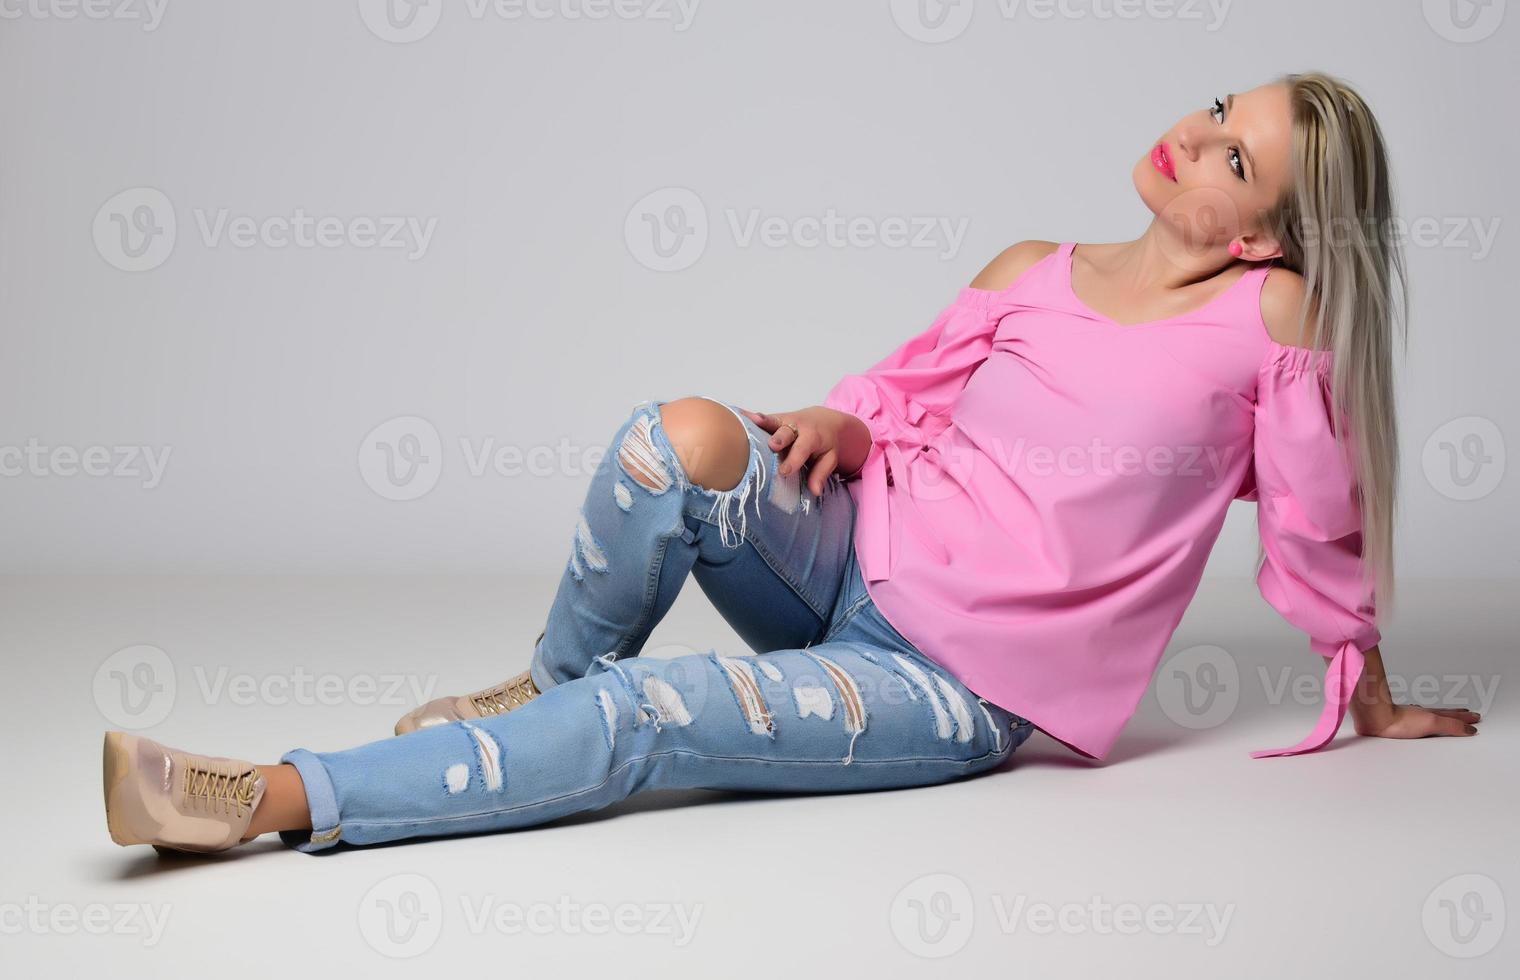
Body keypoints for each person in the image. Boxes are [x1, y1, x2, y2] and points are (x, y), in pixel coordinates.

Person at [101, 70, 1479, 857]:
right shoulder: (1029, 270)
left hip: (951, 684)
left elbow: (1321, 524)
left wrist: (1371, 696)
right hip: (855, 552)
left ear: (1259, 234)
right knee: (681, 435)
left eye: (1232, 155)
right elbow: (895, 394)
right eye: (1214, 107)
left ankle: (273, 798)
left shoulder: (1267, 322)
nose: (1191, 134)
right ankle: (546, 689)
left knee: (660, 719)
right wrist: (849, 427)